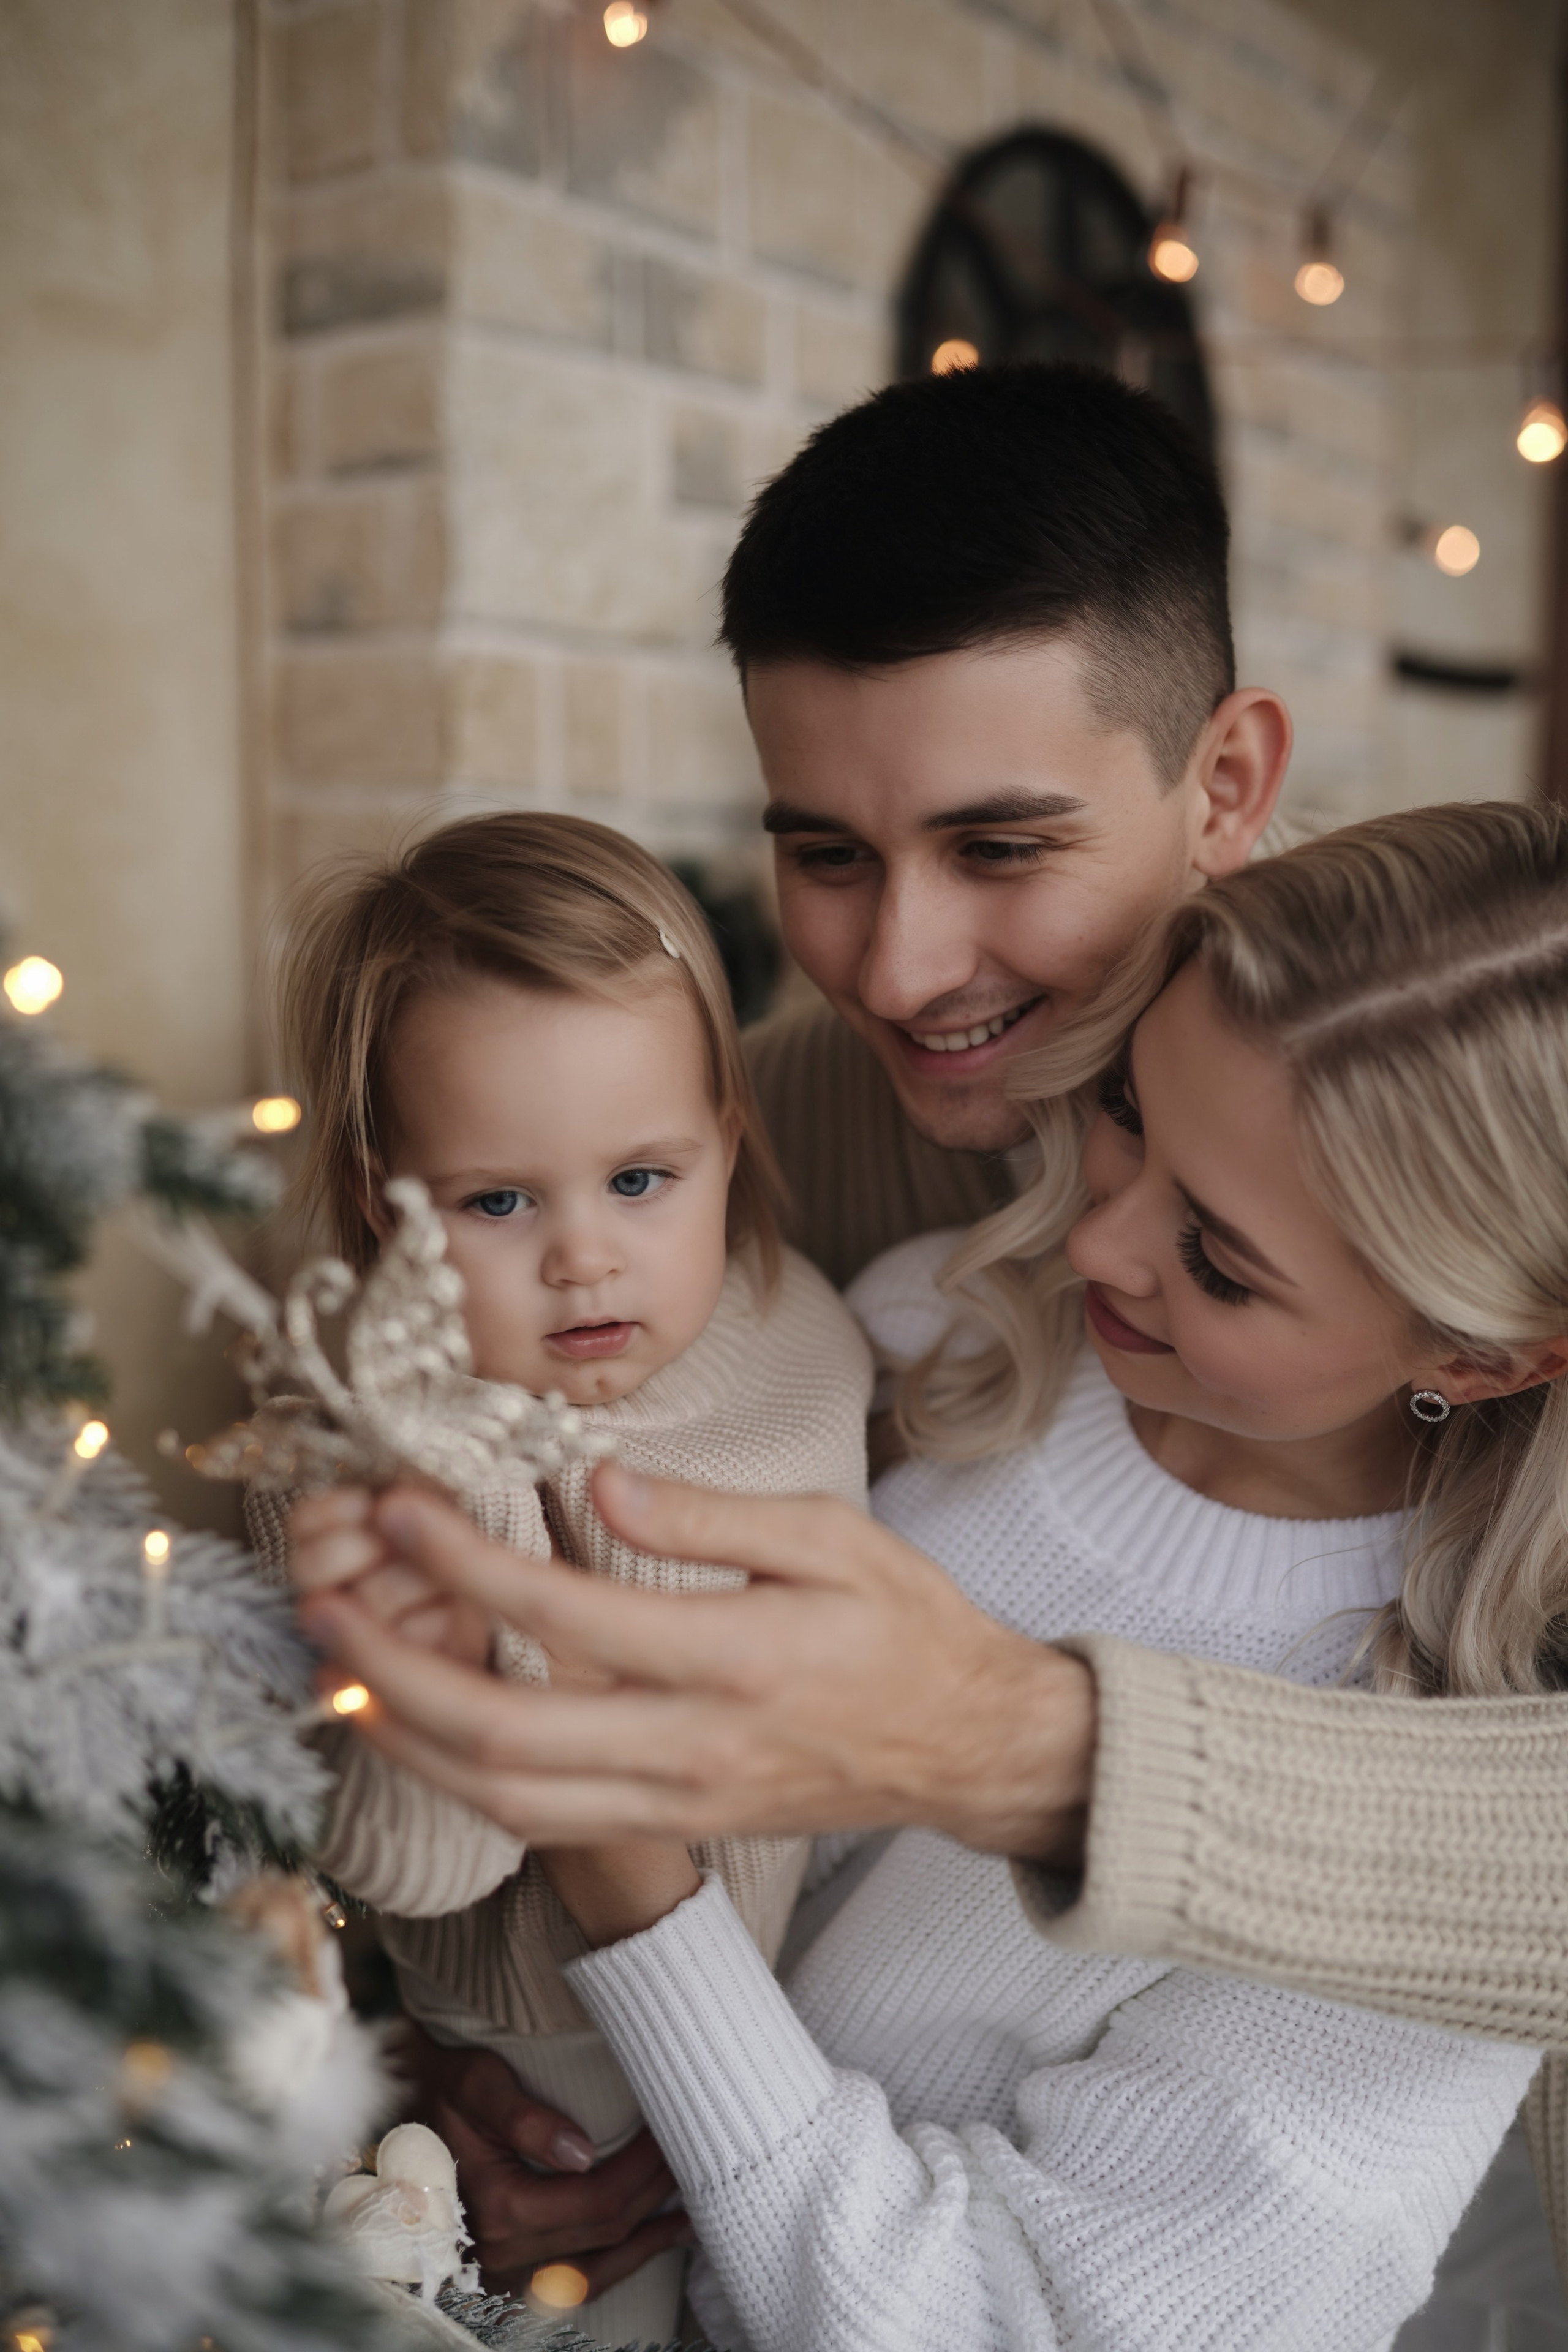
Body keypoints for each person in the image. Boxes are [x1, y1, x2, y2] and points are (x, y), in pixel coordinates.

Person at [302, 803, 1568, 2349]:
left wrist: (627, 1893)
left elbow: (990, 2326)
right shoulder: (937, 1336)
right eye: (1121, 1111)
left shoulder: (1433, 1871)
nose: (1091, 1240)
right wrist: (449, 2094)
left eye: (1220, 1256)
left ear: (1477, 1350)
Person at [260, 812, 872, 2340]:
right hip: (529, 2039)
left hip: (792, 2004)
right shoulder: (356, 1446)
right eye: (498, 1203)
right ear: (377, 1195)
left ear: (730, 1139)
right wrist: (444, 1649)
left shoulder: (794, 1349)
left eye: (642, 1179)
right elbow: (416, 1871)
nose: (584, 1259)